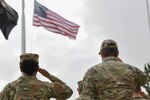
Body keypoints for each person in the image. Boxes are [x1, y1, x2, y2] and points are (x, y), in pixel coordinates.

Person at [75, 39, 148, 100]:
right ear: (117, 53)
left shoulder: (92, 71)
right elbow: (144, 80)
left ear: (102, 54)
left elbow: (86, 97)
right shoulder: (132, 70)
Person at [0, 53, 73, 100]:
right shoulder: (47, 87)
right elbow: (68, 91)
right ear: (37, 68)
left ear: (20, 68)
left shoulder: (10, 88)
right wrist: (49, 76)